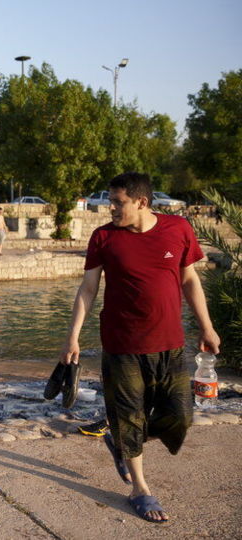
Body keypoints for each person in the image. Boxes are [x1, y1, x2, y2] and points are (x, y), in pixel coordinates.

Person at [59, 172, 220, 523]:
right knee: (130, 417)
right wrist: (72, 335)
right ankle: (140, 489)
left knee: (179, 418)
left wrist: (206, 327)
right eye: (110, 201)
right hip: (122, 344)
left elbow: (190, 278)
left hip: (170, 343)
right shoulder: (104, 237)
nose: (110, 208)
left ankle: (120, 440)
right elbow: (88, 288)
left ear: (141, 202)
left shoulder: (178, 229)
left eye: (118, 202)